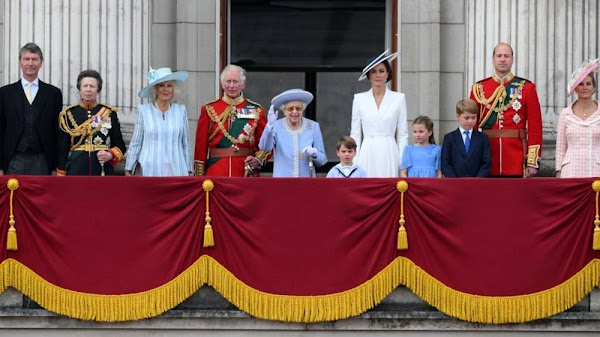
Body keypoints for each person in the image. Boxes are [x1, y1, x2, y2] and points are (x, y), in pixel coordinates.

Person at [470, 42, 542, 178]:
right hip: (487, 157)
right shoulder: (479, 89)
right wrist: (473, 157)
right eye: (499, 56)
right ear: (493, 59)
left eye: (506, 56)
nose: (502, 59)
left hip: (516, 158)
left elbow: (535, 126)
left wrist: (532, 161)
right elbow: (471, 126)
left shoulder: (527, 88)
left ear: (512, 59)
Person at [0, 42, 63, 175]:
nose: (30, 63)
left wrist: (56, 166)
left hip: (43, 159)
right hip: (12, 159)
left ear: (41, 63)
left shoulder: (53, 93)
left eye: (34, 59)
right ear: (20, 62)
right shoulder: (5, 93)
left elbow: (57, 131)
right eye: (26, 59)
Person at [194, 64, 268, 177]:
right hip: (216, 171)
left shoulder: (256, 110)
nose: (232, 85)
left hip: (244, 172)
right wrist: (199, 176)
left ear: (243, 84)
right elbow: (200, 146)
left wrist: (258, 159)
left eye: (236, 81)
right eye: (228, 81)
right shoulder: (209, 109)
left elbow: (266, 142)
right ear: (222, 84)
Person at [350, 49, 408, 178]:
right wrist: (354, 160)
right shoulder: (359, 99)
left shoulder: (399, 98)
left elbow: (403, 134)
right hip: (367, 151)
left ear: (387, 73)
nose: (378, 75)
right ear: (368, 75)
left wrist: (403, 163)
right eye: (374, 72)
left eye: (381, 71)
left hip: (389, 151)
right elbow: (355, 133)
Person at [125, 67, 192, 176]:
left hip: (177, 169)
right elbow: (136, 142)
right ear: (155, 89)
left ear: (173, 89)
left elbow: (186, 143)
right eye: (161, 85)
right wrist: (129, 168)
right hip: (149, 169)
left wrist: (189, 169)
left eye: (169, 86)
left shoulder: (180, 111)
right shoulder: (144, 111)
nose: (165, 89)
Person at [56, 70, 126, 175]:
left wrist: (110, 155)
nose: (88, 90)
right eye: (85, 86)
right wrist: (61, 172)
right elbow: (62, 148)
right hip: (77, 168)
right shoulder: (68, 114)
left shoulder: (108, 113)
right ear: (79, 89)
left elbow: (120, 144)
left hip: (102, 169)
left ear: (98, 90)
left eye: (92, 86)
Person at [259, 89, 327, 177]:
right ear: (284, 111)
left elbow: (323, 161)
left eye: (298, 108)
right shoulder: (276, 126)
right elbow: (264, 147)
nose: (294, 112)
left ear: (303, 109)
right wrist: (269, 126)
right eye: (290, 109)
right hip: (283, 182)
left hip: (305, 182)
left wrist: (315, 153)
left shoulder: (313, 126)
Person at [556, 59, 600, 178]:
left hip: (596, 169)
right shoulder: (565, 114)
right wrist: (558, 174)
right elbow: (561, 148)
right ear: (575, 88)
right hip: (571, 171)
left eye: (588, 84)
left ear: (594, 87)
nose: (585, 87)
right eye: (581, 84)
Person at [441, 99, 491, 178]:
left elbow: (486, 162)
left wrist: (478, 180)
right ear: (458, 116)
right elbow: (445, 163)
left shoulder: (482, 138)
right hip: (455, 183)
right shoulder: (449, 138)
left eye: (473, 118)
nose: (470, 121)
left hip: (477, 183)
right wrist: (454, 181)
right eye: (466, 118)